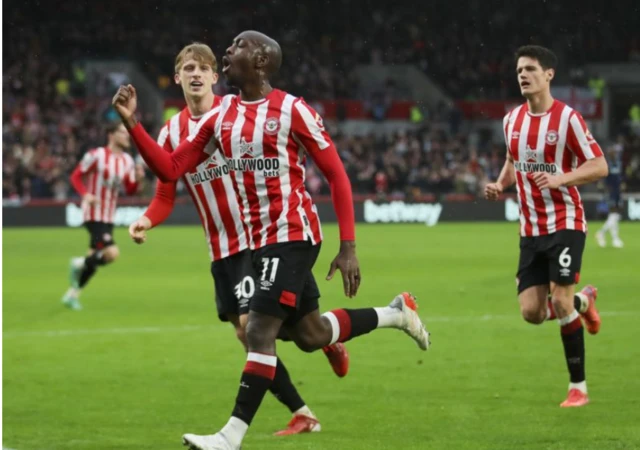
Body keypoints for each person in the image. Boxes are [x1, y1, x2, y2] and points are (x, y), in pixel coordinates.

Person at [113, 30, 430, 450]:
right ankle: (396, 314)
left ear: (261, 62)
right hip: (258, 242)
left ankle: (231, 437)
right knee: (310, 334)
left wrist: (348, 246)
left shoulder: (293, 110)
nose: (228, 50)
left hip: (293, 233)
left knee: (257, 332)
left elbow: (336, 174)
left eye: (238, 46)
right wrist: (133, 124)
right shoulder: (218, 120)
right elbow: (171, 171)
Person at [128, 42, 347, 436]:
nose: (196, 74)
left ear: (216, 77)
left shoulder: (235, 115)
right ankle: (306, 398)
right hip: (220, 250)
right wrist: (146, 219)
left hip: (257, 239)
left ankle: (242, 429)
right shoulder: (173, 131)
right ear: (176, 77)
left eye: (205, 68)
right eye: (188, 68)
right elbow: (165, 190)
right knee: (254, 335)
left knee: (255, 329)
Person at [485, 45, 608, 408]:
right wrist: (500, 184)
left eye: (531, 69)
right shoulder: (511, 121)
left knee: (560, 299)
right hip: (530, 229)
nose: (523, 75)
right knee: (532, 313)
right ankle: (585, 302)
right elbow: (511, 161)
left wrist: (561, 179)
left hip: (566, 222)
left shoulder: (568, 119)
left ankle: (578, 388)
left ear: (549, 74)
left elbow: (599, 165)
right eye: (519, 70)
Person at [62, 122, 144, 310]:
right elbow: (75, 176)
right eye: (122, 133)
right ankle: (78, 263)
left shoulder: (127, 161)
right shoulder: (96, 155)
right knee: (112, 253)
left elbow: (130, 191)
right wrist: (86, 194)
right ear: (111, 135)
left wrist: (138, 180)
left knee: (94, 258)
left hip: (108, 215)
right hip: (93, 213)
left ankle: (72, 295)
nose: (126, 136)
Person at [595, 136, 625, 248]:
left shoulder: (617, 162)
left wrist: (622, 183)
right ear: (609, 152)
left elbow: (619, 176)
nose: (615, 153)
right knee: (614, 213)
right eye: (613, 151)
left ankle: (609, 236)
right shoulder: (607, 163)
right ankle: (611, 237)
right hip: (610, 191)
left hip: (617, 191)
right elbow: (604, 178)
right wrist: (605, 188)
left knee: (615, 214)